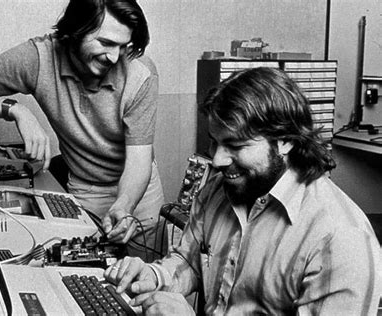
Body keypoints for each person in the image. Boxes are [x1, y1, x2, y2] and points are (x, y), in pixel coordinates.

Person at [104, 67, 381, 315]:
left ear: (284, 141)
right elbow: (189, 261)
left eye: (235, 146)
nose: (218, 160)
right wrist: (152, 275)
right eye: (215, 142)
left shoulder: (341, 239)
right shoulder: (219, 189)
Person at [0, 0, 166, 262]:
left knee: (148, 283)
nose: (114, 57)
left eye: (123, 47)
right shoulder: (38, 58)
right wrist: (17, 110)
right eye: (105, 43)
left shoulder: (141, 73)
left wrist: (124, 206)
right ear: (76, 30)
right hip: (85, 190)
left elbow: (139, 160)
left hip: (138, 194)